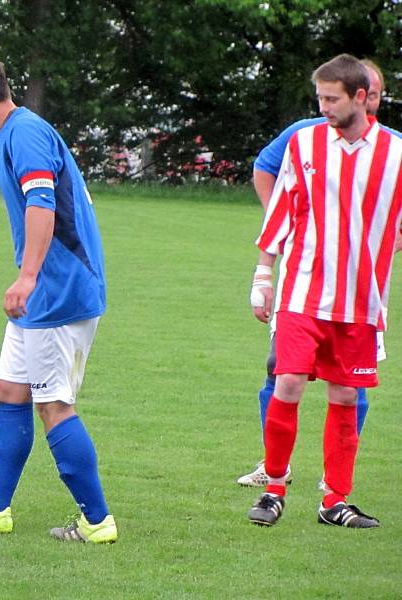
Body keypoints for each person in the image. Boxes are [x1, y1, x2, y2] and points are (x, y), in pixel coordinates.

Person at [0, 48, 117, 544]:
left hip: (57, 293)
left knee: (53, 404)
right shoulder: (18, 132)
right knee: (11, 390)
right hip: (47, 292)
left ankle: (97, 522)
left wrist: (28, 276)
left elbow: (42, 203)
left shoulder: (26, 133)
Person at [247, 53, 402, 529]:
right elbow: (282, 210)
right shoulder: (305, 143)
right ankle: (273, 489)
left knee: (344, 397)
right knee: (288, 382)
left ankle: (335, 500)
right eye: (320, 97)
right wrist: (263, 275)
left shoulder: (396, 153)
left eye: (332, 99)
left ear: (362, 97)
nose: (324, 107)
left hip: (360, 302)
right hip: (302, 293)